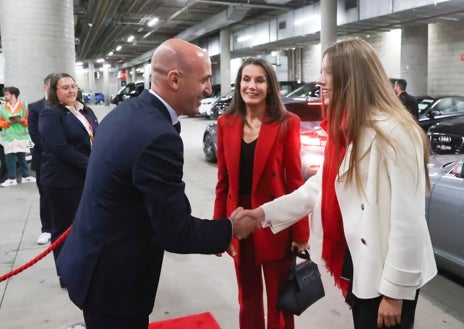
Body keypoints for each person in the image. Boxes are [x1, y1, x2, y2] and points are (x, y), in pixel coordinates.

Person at [57, 38, 258, 329]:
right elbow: (175, 232)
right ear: (175, 79)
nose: (207, 89)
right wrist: (230, 228)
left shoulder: (128, 112)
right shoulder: (157, 136)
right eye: (203, 80)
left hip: (92, 262)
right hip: (113, 284)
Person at [237, 38, 437, 329]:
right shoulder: (347, 129)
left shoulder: (395, 133)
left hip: (388, 274)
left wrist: (395, 293)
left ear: (351, 77)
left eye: (327, 72)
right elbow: (318, 187)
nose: (320, 79)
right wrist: (262, 215)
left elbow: (408, 221)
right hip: (362, 261)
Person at [213, 57, 309, 329]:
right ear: (238, 84)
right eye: (246, 79)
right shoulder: (225, 123)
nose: (251, 86)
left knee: (280, 302)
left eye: (259, 80)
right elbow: (223, 182)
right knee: (248, 298)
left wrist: (301, 233)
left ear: (270, 86)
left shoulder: (287, 123)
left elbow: (296, 181)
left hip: (275, 221)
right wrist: (221, 229)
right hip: (239, 222)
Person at [39, 73, 99, 288]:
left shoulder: (85, 110)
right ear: (54, 91)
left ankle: (85, 268)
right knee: (63, 228)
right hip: (63, 182)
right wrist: (93, 165)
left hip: (86, 178)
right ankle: (66, 273)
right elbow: (61, 148)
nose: (71, 90)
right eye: (64, 87)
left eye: (73, 86)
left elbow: (96, 138)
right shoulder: (51, 115)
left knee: (87, 226)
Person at [28, 74, 55, 245]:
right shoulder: (35, 107)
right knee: (45, 195)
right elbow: (34, 133)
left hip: (65, 161)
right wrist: (53, 151)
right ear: (46, 87)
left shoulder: (66, 106)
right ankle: (46, 229)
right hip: (44, 159)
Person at [0, 86, 36, 187]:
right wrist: (7, 122)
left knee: (22, 158)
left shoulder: (25, 106)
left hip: (21, 137)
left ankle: (25, 176)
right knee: (9, 159)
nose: (5, 96)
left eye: (7, 94)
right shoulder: (2, 108)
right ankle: (12, 179)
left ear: (13, 95)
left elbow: (30, 121)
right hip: (8, 137)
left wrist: (22, 121)